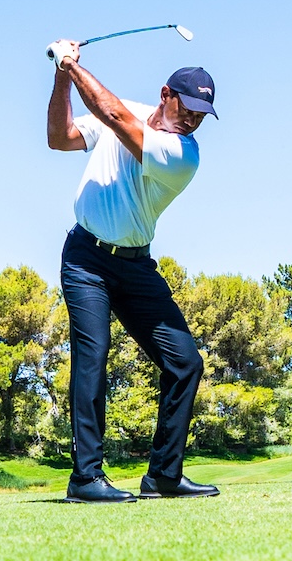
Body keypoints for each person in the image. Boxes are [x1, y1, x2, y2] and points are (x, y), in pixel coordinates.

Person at [46, 38, 220, 503]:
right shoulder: (126, 112)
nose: (193, 120)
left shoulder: (183, 154)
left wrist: (69, 63)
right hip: (86, 259)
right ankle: (86, 478)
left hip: (136, 267)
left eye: (202, 115)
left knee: (185, 362)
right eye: (189, 108)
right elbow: (60, 137)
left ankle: (163, 474)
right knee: (92, 357)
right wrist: (62, 77)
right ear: (166, 95)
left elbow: (114, 117)